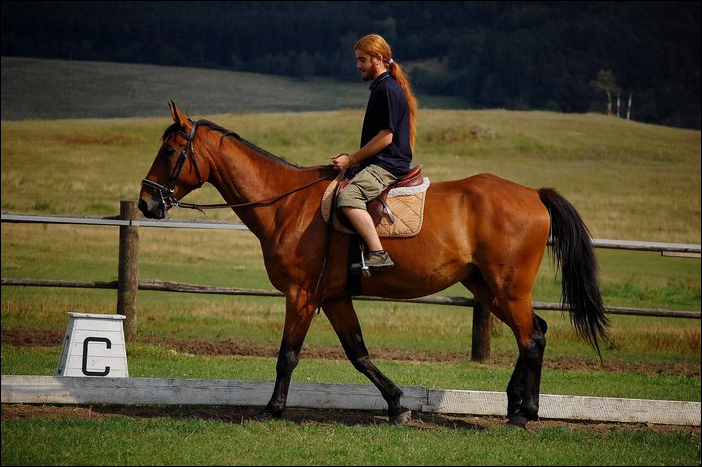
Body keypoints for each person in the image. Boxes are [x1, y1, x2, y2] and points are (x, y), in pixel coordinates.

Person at [331, 33, 418, 272]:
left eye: (362, 60)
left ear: (377, 59)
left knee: (348, 198)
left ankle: (378, 253)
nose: (357, 65)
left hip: (388, 166)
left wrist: (352, 159)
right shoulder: (383, 87)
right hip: (380, 162)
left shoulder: (388, 89)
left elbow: (386, 137)